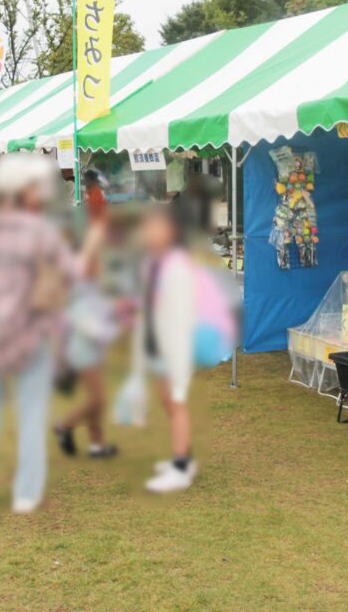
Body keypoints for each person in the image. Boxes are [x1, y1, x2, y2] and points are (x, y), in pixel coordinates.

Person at [0, 153, 86, 516]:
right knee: (31, 418)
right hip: (30, 337)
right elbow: (71, 275)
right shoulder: (40, 232)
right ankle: (26, 493)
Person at [133, 204, 203, 494]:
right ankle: (184, 456)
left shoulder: (177, 266)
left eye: (156, 227)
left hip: (174, 347)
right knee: (167, 401)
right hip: (156, 343)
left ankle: (180, 467)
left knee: (176, 403)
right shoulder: (151, 262)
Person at [54, 220, 120, 459]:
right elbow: (90, 325)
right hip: (83, 349)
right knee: (98, 399)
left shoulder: (91, 283)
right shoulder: (78, 287)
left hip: (92, 348)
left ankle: (97, 444)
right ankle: (64, 426)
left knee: (96, 397)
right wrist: (114, 329)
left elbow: (102, 308)